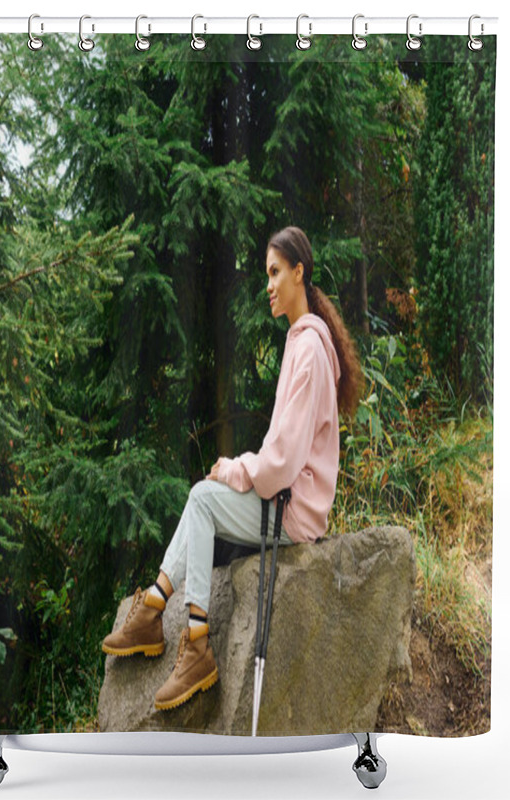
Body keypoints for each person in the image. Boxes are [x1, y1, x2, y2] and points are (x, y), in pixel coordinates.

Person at [101, 226, 363, 711]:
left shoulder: (307, 349)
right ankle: (157, 606)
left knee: (203, 498)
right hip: (289, 501)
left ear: (299, 272)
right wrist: (242, 470)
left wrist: (239, 470)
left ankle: (194, 642)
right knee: (205, 494)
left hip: (292, 510)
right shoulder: (301, 343)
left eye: (275, 272)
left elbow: (281, 462)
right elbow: (282, 451)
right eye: (267, 273)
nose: (268, 284)